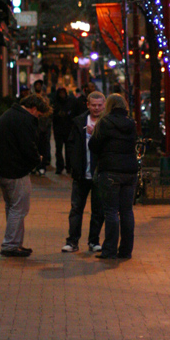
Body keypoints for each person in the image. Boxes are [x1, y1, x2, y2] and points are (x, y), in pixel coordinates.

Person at [0, 93, 47, 257]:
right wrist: (37, 159)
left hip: (3, 169)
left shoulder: (11, 115)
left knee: (12, 206)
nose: (38, 117)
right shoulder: (23, 119)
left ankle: (15, 243)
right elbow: (27, 145)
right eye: (39, 114)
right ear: (34, 108)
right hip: (14, 171)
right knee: (19, 208)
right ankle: (10, 244)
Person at [89, 93, 138, 261]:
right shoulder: (131, 123)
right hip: (130, 172)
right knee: (126, 211)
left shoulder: (104, 122)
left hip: (110, 171)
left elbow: (93, 145)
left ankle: (109, 250)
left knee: (111, 211)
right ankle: (126, 250)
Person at [61, 90, 106, 253]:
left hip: (99, 173)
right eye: (93, 105)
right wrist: (72, 165)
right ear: (88, 105)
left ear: (104, 105)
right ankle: (72, 241)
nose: (96, 108)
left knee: (98, 209)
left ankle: (94, 241)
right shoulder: (79, 122)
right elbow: (70, 144)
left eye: (100, 105)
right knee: (76, 208)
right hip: (81, 173)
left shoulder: (106, 123)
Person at [52, 86, 74, 174]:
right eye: (60, 93)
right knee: (59, 149)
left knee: (68, 149)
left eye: (63, 93)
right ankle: (59, 166)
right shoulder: (55, 103)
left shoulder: (69, 102)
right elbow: (53, 115)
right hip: (58, 129)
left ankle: (68, 166)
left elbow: (72, 113)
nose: (62, 95)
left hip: (67, 129)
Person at [33, 79, 52, 171]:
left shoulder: (45, 98)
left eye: (39, 85)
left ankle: (43, 164)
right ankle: (36, 164)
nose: (38, 86)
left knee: (44, 145)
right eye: (36, 85)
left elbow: (48, 111)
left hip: (44, 125)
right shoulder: (32, 97)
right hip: (35, 125)